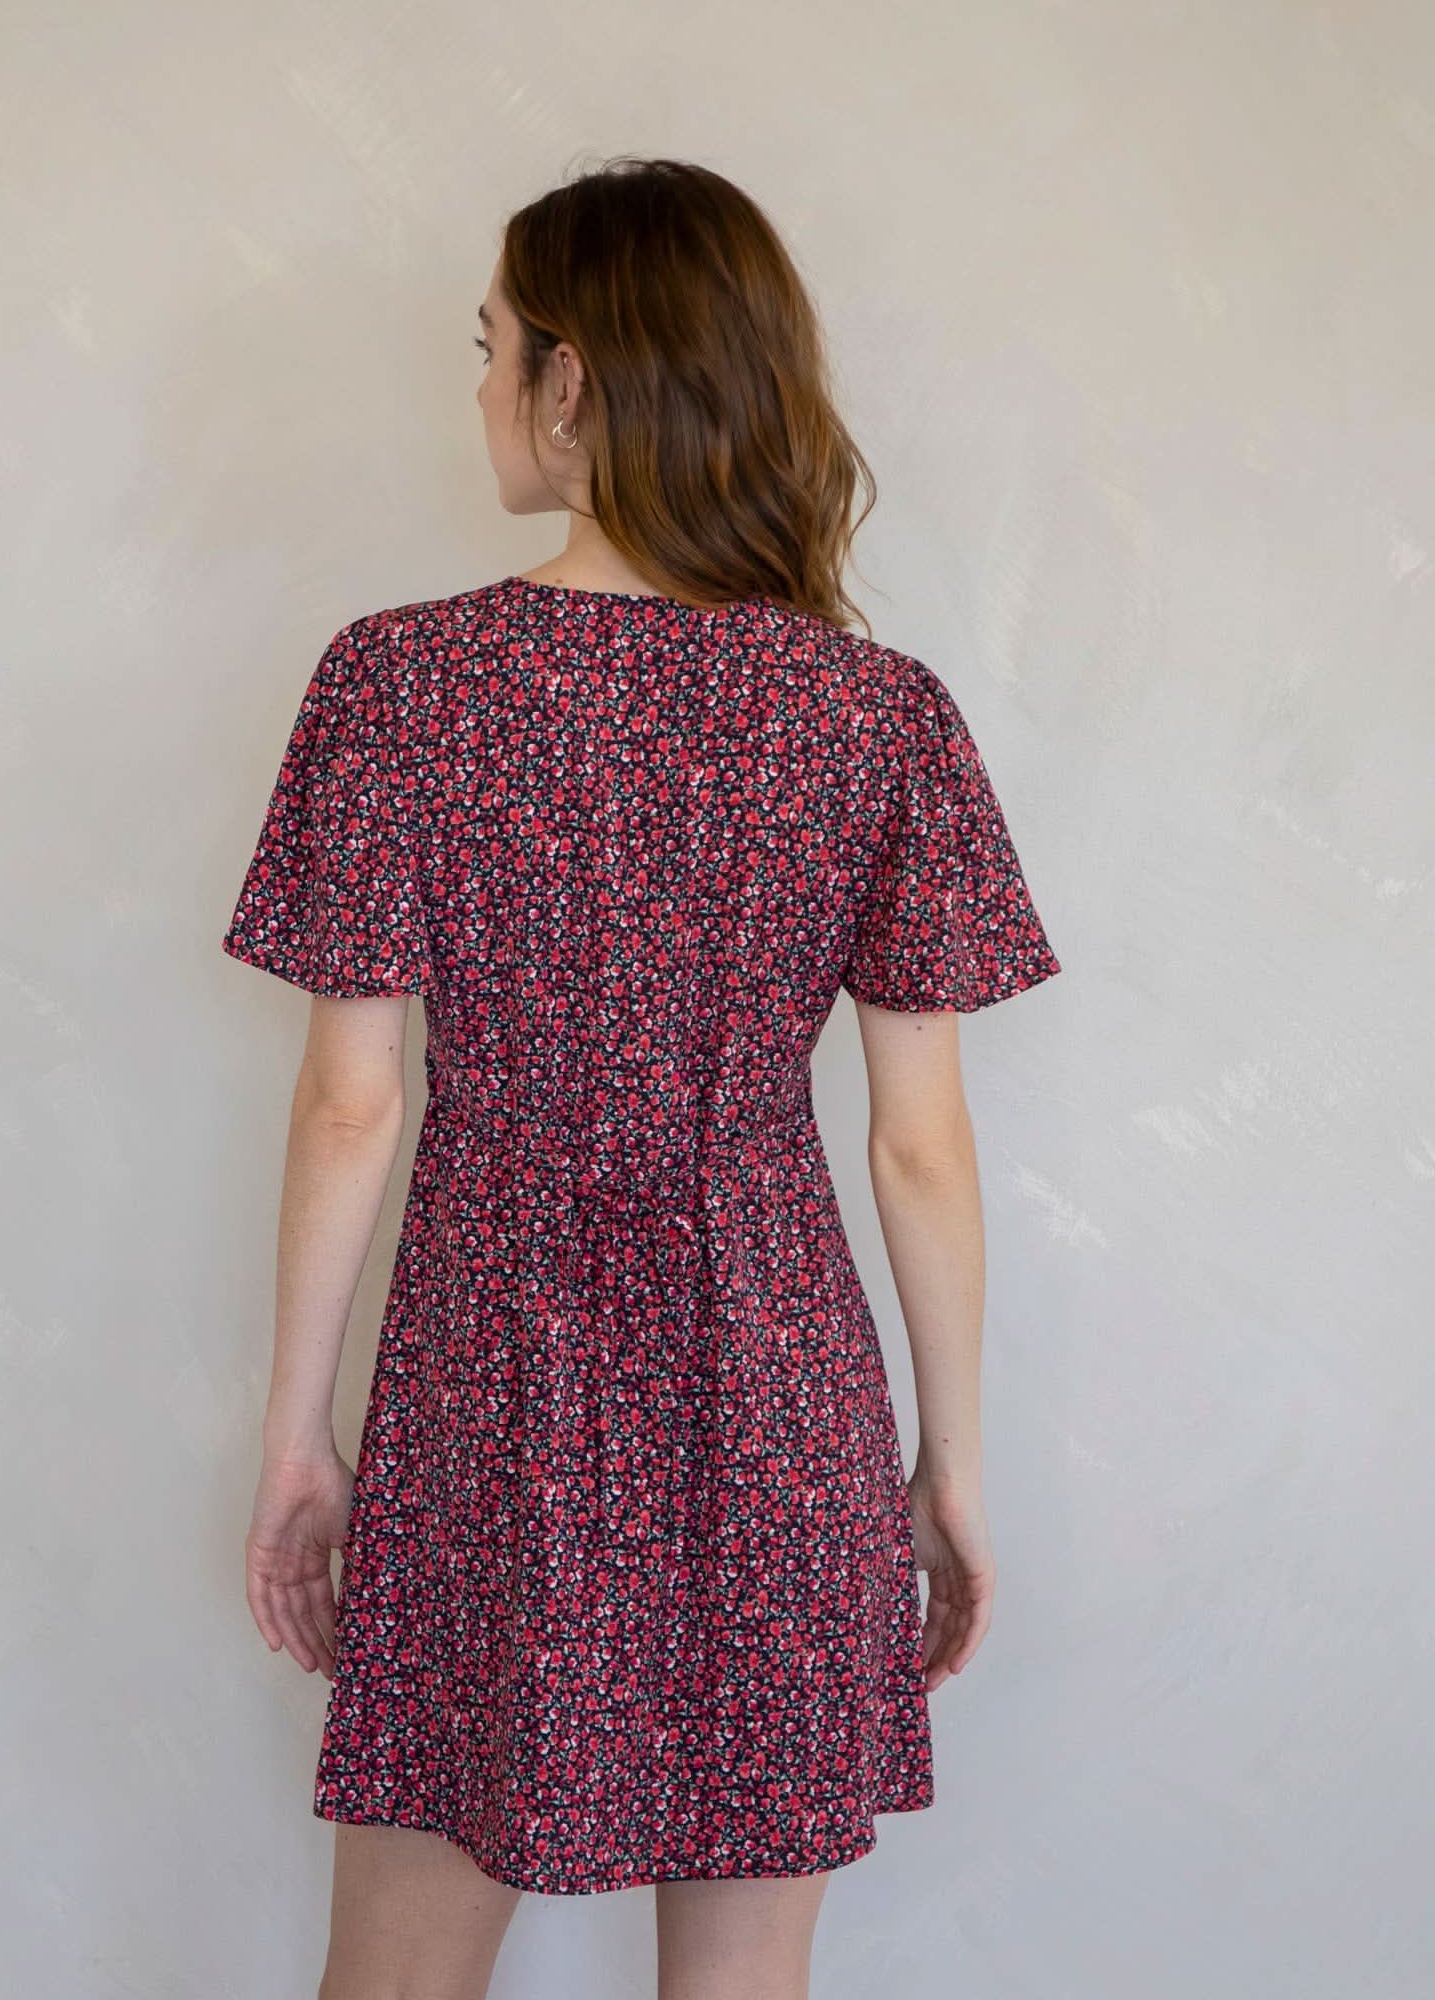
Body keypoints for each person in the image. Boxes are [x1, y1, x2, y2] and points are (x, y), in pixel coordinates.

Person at [221, 156, 1063, 2000]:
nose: (477, 390)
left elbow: (356, 1099)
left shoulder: (399, 685)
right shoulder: (877, 714)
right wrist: (956, 1468)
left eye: (490, 348)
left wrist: (297, 1436)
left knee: (395, 1980)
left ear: (576, 380)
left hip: (484, 1371)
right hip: (779, 1386)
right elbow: (916, 1144)